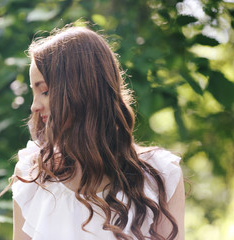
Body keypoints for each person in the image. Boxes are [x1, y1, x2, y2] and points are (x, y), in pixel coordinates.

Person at [11, 25, 185, 240]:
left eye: (45, 91)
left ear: (83, 90)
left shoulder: (160, 174)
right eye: (33, 92)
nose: (34, 106)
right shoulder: (33, 176)